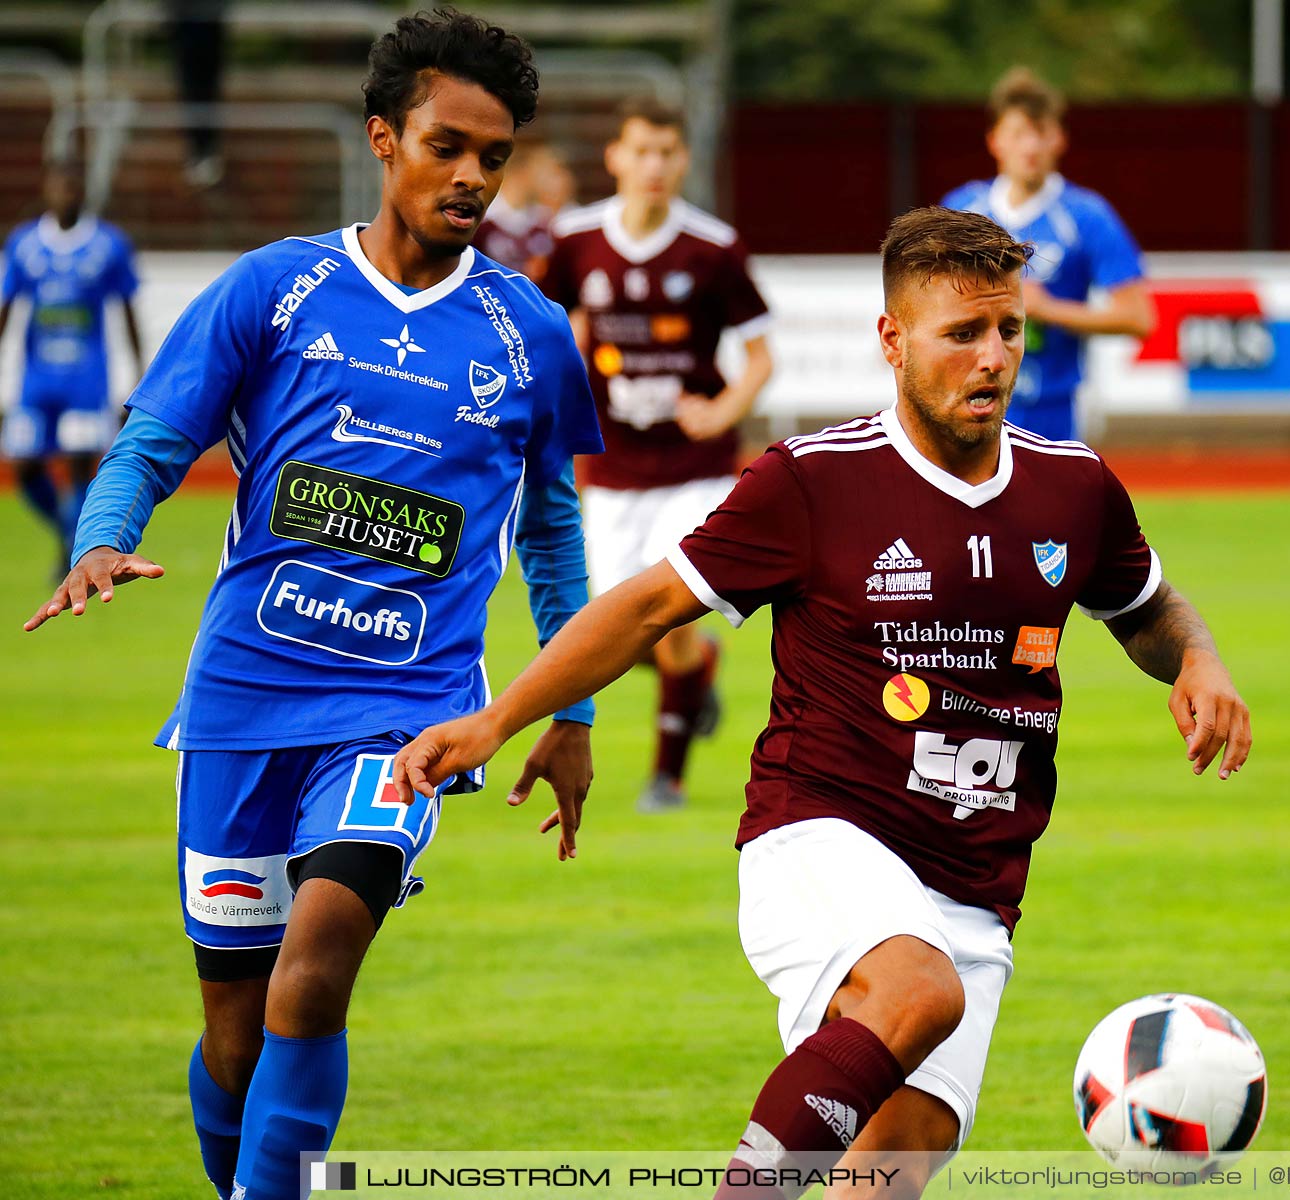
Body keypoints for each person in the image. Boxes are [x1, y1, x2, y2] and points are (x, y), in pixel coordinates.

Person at [390, 207, 1252, 1199]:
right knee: (914, 991)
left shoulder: (1074, 489)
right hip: (823, 831)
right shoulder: (813, 481)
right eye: (962, 333)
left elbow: (1148, 609)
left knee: (888, 1173)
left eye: (1008, 331)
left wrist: (1200, 661)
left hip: (977, 883)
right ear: (891, 341)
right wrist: (501, 720)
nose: (993, 358)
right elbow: (647, 607)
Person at [21, 12, 603, 1199]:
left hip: (406, 712)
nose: (474, 178)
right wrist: (100, 540)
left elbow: (552, 531)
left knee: (314, 970)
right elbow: (148, 442)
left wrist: (573, 712)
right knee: (235, 1029)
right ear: (385, 139)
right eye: (449, 146)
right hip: (239, 708)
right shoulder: (275, 290)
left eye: (494, 157)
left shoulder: (531, 334)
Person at [541, 96, 774, 813]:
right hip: (610, 469)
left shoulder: (713, 246)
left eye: (667, 152)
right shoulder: (576, 240)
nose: (654, 166)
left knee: (663, 612)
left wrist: (721, 411)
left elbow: (760, 358)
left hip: (692, 472)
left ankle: (666, 777)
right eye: (640, 150)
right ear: (614, 156)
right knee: (613, 623)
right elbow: (550, 332)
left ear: (683, 160)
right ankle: (697, 670)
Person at [943, 67, 1152, 443]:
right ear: (994, 141)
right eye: (1018, 133)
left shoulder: (1087, 216)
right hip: (968, 402)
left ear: (1059, 139)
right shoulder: (962, 210)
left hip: (1054, 410)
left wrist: (1046, 309)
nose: (1031, 147)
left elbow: (1139, 317)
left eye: (1040, 133)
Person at [1, 161, 143, 575]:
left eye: (72, 188)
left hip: (86, 378)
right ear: (47, 191)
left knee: (81, 462)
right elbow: (9, 306)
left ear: (82, 193)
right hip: (37, 379)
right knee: (25, 466)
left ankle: (74, 550)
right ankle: (68, 533)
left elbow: (127, 309)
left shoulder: (109, 244)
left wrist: (138, 372)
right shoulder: (24, 243)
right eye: (58, 187)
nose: (65, 195)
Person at [471, 144, 567, 283]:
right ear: (520, 176)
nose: (545, 182)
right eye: (539, 175)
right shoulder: (483, 218)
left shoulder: (544, 219)